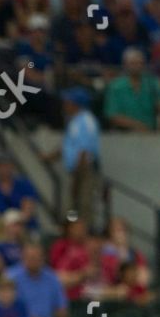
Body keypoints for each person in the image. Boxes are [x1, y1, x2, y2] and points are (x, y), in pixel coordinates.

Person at [58, 88, 101, 223]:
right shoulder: (75, 120)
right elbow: (69, 145)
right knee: (73, 204)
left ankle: (86, 234)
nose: (65, 104)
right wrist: (48, 157)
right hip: (76, 169)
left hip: (83, 169)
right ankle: (71, 234)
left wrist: (78, 174)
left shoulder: (86, 120)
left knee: (83, 203)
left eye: (68, 101)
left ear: (76, 104)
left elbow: (84, 150)